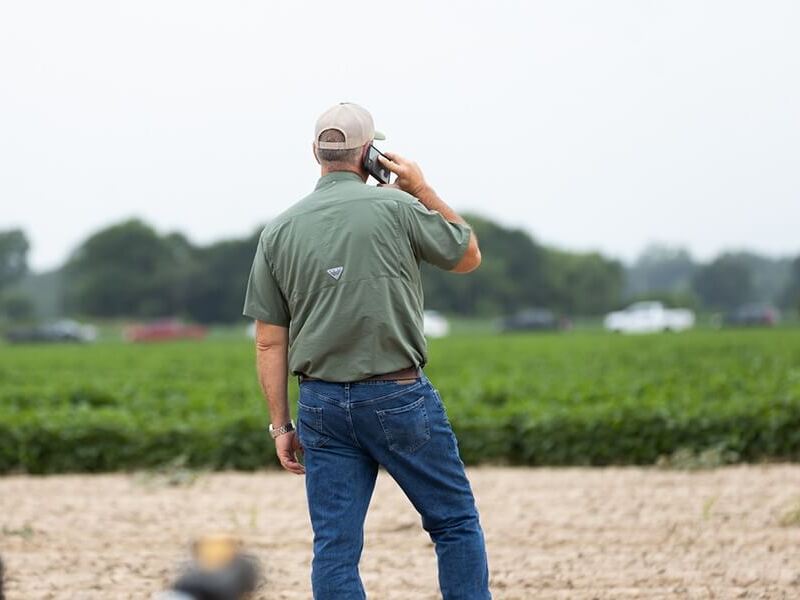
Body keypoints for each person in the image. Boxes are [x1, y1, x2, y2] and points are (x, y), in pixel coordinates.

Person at [243, 102, 491, 599]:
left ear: (316, 151)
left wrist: (280, 426)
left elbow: (270, 339)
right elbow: (467, 256)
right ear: (368, 153)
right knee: (454, 523)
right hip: (398, 397)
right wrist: (420, 188)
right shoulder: (399, 207)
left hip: (321, 406)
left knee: (334, 548)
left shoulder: (278, 231)